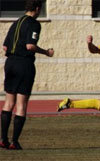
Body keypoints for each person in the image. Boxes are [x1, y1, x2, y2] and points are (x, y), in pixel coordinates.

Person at [0, 0, 54, 150]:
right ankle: (14, 142)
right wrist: (46, 52)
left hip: (10, 63)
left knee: (8, 103)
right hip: (24, 64)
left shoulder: (15, 22)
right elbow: (30, 46)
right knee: (21, 105)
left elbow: (5, 46)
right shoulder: (34, 24)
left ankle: (3, 139)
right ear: (37, 9)